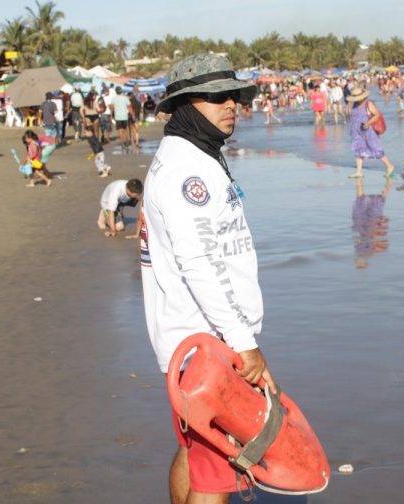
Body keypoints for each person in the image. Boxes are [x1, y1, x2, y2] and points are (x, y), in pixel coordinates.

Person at [141, 53, 275, 504]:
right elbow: (198, 263)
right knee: (217, 474)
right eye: (216, 97)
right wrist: (242, 342)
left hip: (191, 340)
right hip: (208, 344)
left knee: (195, 451)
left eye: (233, 95)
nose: (231, 104)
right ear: (184, 105)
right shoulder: (188, 172)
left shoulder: (193, 154)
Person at [346, 87, 395, 179]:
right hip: (356, 131)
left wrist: (368, 123)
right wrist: (349, 105)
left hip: (368, 131)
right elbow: (351, 115)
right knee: (358, 150)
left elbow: (377, 114)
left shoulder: (368, 103)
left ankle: (389, 166)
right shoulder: (354, 104)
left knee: (376, 149)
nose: (356, 99)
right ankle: (359, 171)